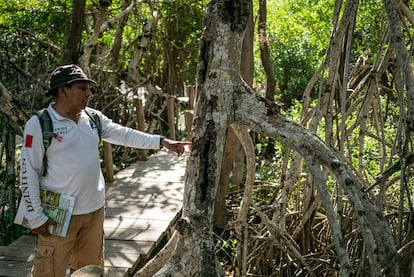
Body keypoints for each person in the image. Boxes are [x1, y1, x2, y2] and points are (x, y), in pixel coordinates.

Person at [19, 64, 191, 276]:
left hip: (94, 213)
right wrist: (36, 217)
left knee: (89, 272)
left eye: (89, 88)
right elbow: (29, 172)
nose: (89, 93)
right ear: (63, 90)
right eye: (82, 88)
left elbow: (125, 135)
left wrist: (162, 141)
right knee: (48, 272)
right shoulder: (39, 125)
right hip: (57, 215)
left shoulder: (92, 118)